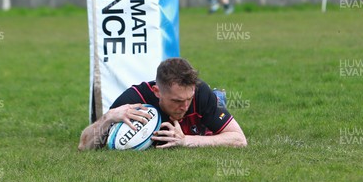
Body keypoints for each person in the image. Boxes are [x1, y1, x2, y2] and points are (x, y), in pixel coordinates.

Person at [78, 57, 247, 150]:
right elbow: (83, 146)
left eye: (189, 99)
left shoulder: (201, 93)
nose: (185, 106)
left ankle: (218, 98)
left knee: (212, 105)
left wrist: (186, 141)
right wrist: (108, 117)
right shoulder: (133, 100)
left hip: (198, 125)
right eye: (177, 100)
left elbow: (239, 139)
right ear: (156, 92)